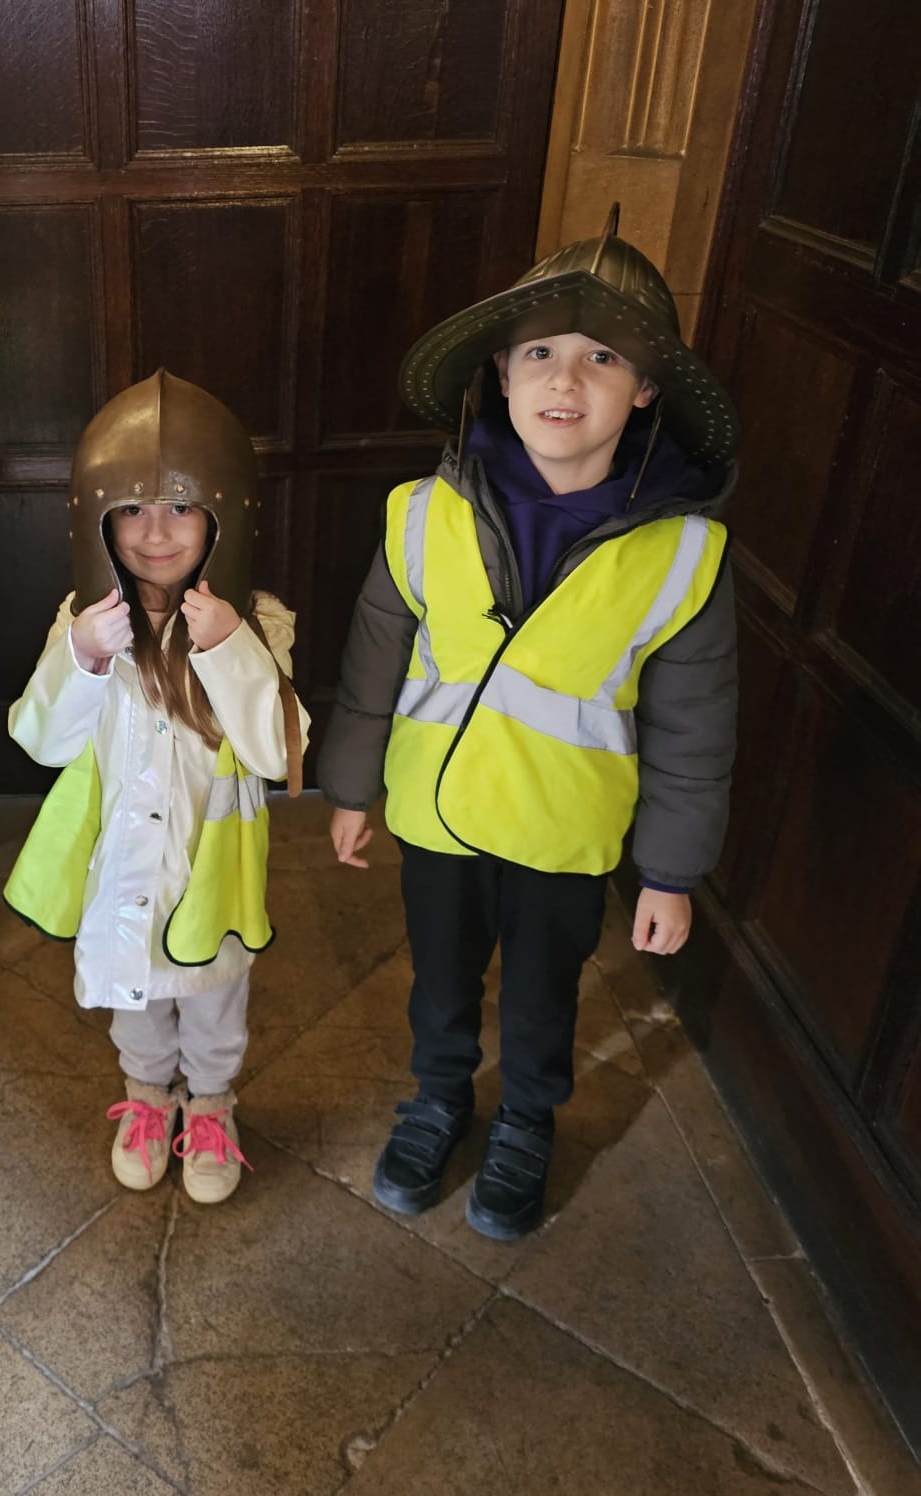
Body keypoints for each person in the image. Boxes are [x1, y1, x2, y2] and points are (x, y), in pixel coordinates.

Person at [319, 209, 739, 1240]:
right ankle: (437, 1096)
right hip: (439, 815)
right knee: (441, 975)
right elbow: (373, 660)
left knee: (545, 990)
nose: (567, 380)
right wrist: (350, 786)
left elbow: (694, 732)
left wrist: (670, 872)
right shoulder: (422, 513)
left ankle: (525, 1118)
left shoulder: (682, 555)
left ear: (645, 388)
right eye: (542, 352)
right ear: (501, 371)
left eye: (604, 357)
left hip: (562, 831)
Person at [5, 370, 308, 1205]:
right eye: (132, 508)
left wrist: (231, 647)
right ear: (99, 519)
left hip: (209, 868)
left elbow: (276, 752)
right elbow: (41, 740)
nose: (156, 531)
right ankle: (146, 1097)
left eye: (180, 505)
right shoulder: (83, 620)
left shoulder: (259, 620)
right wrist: (82, 655)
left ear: (222, 515)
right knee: (134, 997)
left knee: (213, 1002)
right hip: (126, 865)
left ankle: (209, 1105)